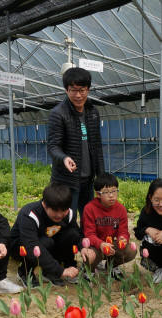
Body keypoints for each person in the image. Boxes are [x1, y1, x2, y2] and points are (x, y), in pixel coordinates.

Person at [47, 67, 105, 225]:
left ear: (88, 89)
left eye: (82, 90)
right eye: (73, 90)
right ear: (66, 90)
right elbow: (53, 146)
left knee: (89, 220)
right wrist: (64, 158)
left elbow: (97, 147)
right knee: (66, 221)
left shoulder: (92, 112)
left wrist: (101, 178)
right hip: (66, 182)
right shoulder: (58, 114)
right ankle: (68, 248)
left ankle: (88, 248)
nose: (78, 95)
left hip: (88, 180)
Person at [9, 183, 82, 286]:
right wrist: (59, 271)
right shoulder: (30, 214)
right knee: (45, 242)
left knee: (72, 234)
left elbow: (77, 235)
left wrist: (84, 248)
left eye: (64, 211)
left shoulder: (69, 214)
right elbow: (31, 246)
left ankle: (50, 272)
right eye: (55, 211)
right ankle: (25, 273)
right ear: (44, 205)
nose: (59, 215)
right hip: (22, 247)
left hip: (47, 243)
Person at [81, 172, 137, 279]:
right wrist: (101, 244)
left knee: (131, 250)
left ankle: (112, 266)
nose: (111, 195)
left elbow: (123, 231)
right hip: (95, 245)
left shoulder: (120, 209)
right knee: (89, 255)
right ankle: (89, 270)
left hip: (112, 244)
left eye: (114, 191)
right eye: (106, 192)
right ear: (98, 194)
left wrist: (123, 238)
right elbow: (89, 234)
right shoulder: (90, 208)